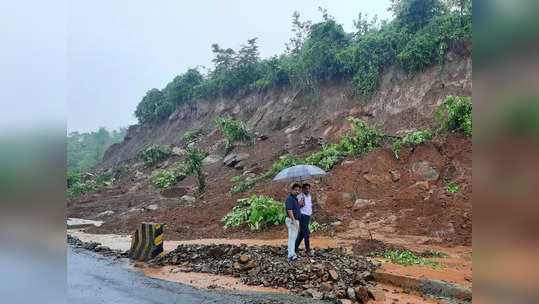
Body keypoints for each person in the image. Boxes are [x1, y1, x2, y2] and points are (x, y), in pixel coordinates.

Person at [295, 183, 313, 256]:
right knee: (306, 233)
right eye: (306, 188)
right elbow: (296, 207)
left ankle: (294, 248)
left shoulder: (309, 196)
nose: (307, 190)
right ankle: (308, 249)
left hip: (307, 216)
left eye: (308, 188)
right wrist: (300, 204)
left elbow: (309, 206)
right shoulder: (299, 196)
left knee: (301, 234)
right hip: (302, 216)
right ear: (302, 189)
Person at [285, 183, 301, 261]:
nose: (297, 191)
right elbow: (289, 210)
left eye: (298, 190)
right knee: (292, 238)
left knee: (293, 237)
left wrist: (301, 204)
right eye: (296, 190)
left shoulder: (295, 198)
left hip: (295, 220)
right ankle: (291, 255)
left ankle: (292, 253)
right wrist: (294, 221)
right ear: (292, 190)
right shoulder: (289, 199)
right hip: (292, 220)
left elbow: (295, 209)